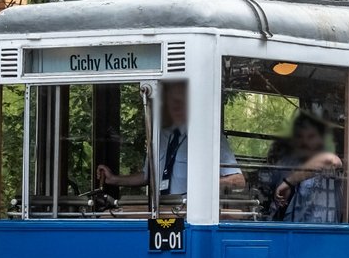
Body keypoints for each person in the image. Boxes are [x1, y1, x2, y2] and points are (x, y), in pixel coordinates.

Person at [96, 83, 244, 196]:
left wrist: (206, 187)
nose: (176, 107)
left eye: (181, 102)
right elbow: (147, 176)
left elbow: (238, 181)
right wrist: (114, 179)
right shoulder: (160, 136)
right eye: (173, 102)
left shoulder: (209, 137)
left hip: (190, 216)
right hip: (160, 212)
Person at [271, 115, 344, 224]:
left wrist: (288, 182)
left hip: (326, 232)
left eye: (311, 136)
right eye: (300, 137)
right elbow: (281, 200)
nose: (305, 142)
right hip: (298, 229)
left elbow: (332, 161)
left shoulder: (330, 159)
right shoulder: (292, 163)